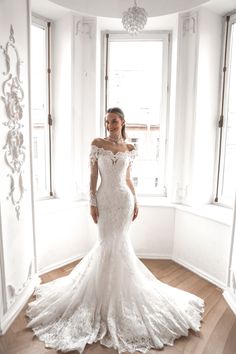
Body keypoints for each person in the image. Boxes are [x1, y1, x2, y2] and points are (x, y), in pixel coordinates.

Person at [26, 107, 204, 354]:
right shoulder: (97, 144)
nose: (110, 125)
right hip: (105, 200)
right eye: (107, 121)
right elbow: (92, 176)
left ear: (122, 122)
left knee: (120, 245)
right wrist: (92, 201)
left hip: (123, 201)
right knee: (105, 244)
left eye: (114, 121)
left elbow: (129, 179)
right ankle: (100, 298)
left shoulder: (130, 149)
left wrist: (137, 200)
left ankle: (117, 297)